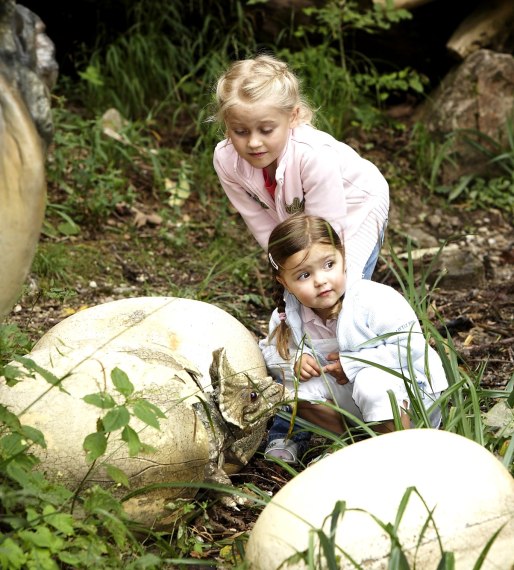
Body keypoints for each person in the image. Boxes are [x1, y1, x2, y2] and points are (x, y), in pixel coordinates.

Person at [212, 54, 390, 462]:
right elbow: (259, 219)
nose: (253, 142)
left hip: (350, 211)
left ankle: (373, 403)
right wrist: (285, 270)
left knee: (336, 296)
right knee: (295, 306)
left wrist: (307, 277)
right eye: (240, 131)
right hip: (293, 224)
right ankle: (293, 424)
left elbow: (328, 235)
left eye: (265, 130)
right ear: (227, 127)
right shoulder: (226, 158)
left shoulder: (313, 155)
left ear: (292, 118)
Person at [259, 214, 448, 460]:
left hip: (409, 399)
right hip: (353, 407)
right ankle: (356, 445)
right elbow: (271, 352)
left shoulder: (373, 300)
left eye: (329, 265)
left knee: (372, 383)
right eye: (304, 275)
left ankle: (399, 452)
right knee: (293, 390)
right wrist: (296, 359)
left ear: (343, 258)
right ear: (283, 281)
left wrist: (351, 364)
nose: (321, 281)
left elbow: (410, 347)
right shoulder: (287, 315)